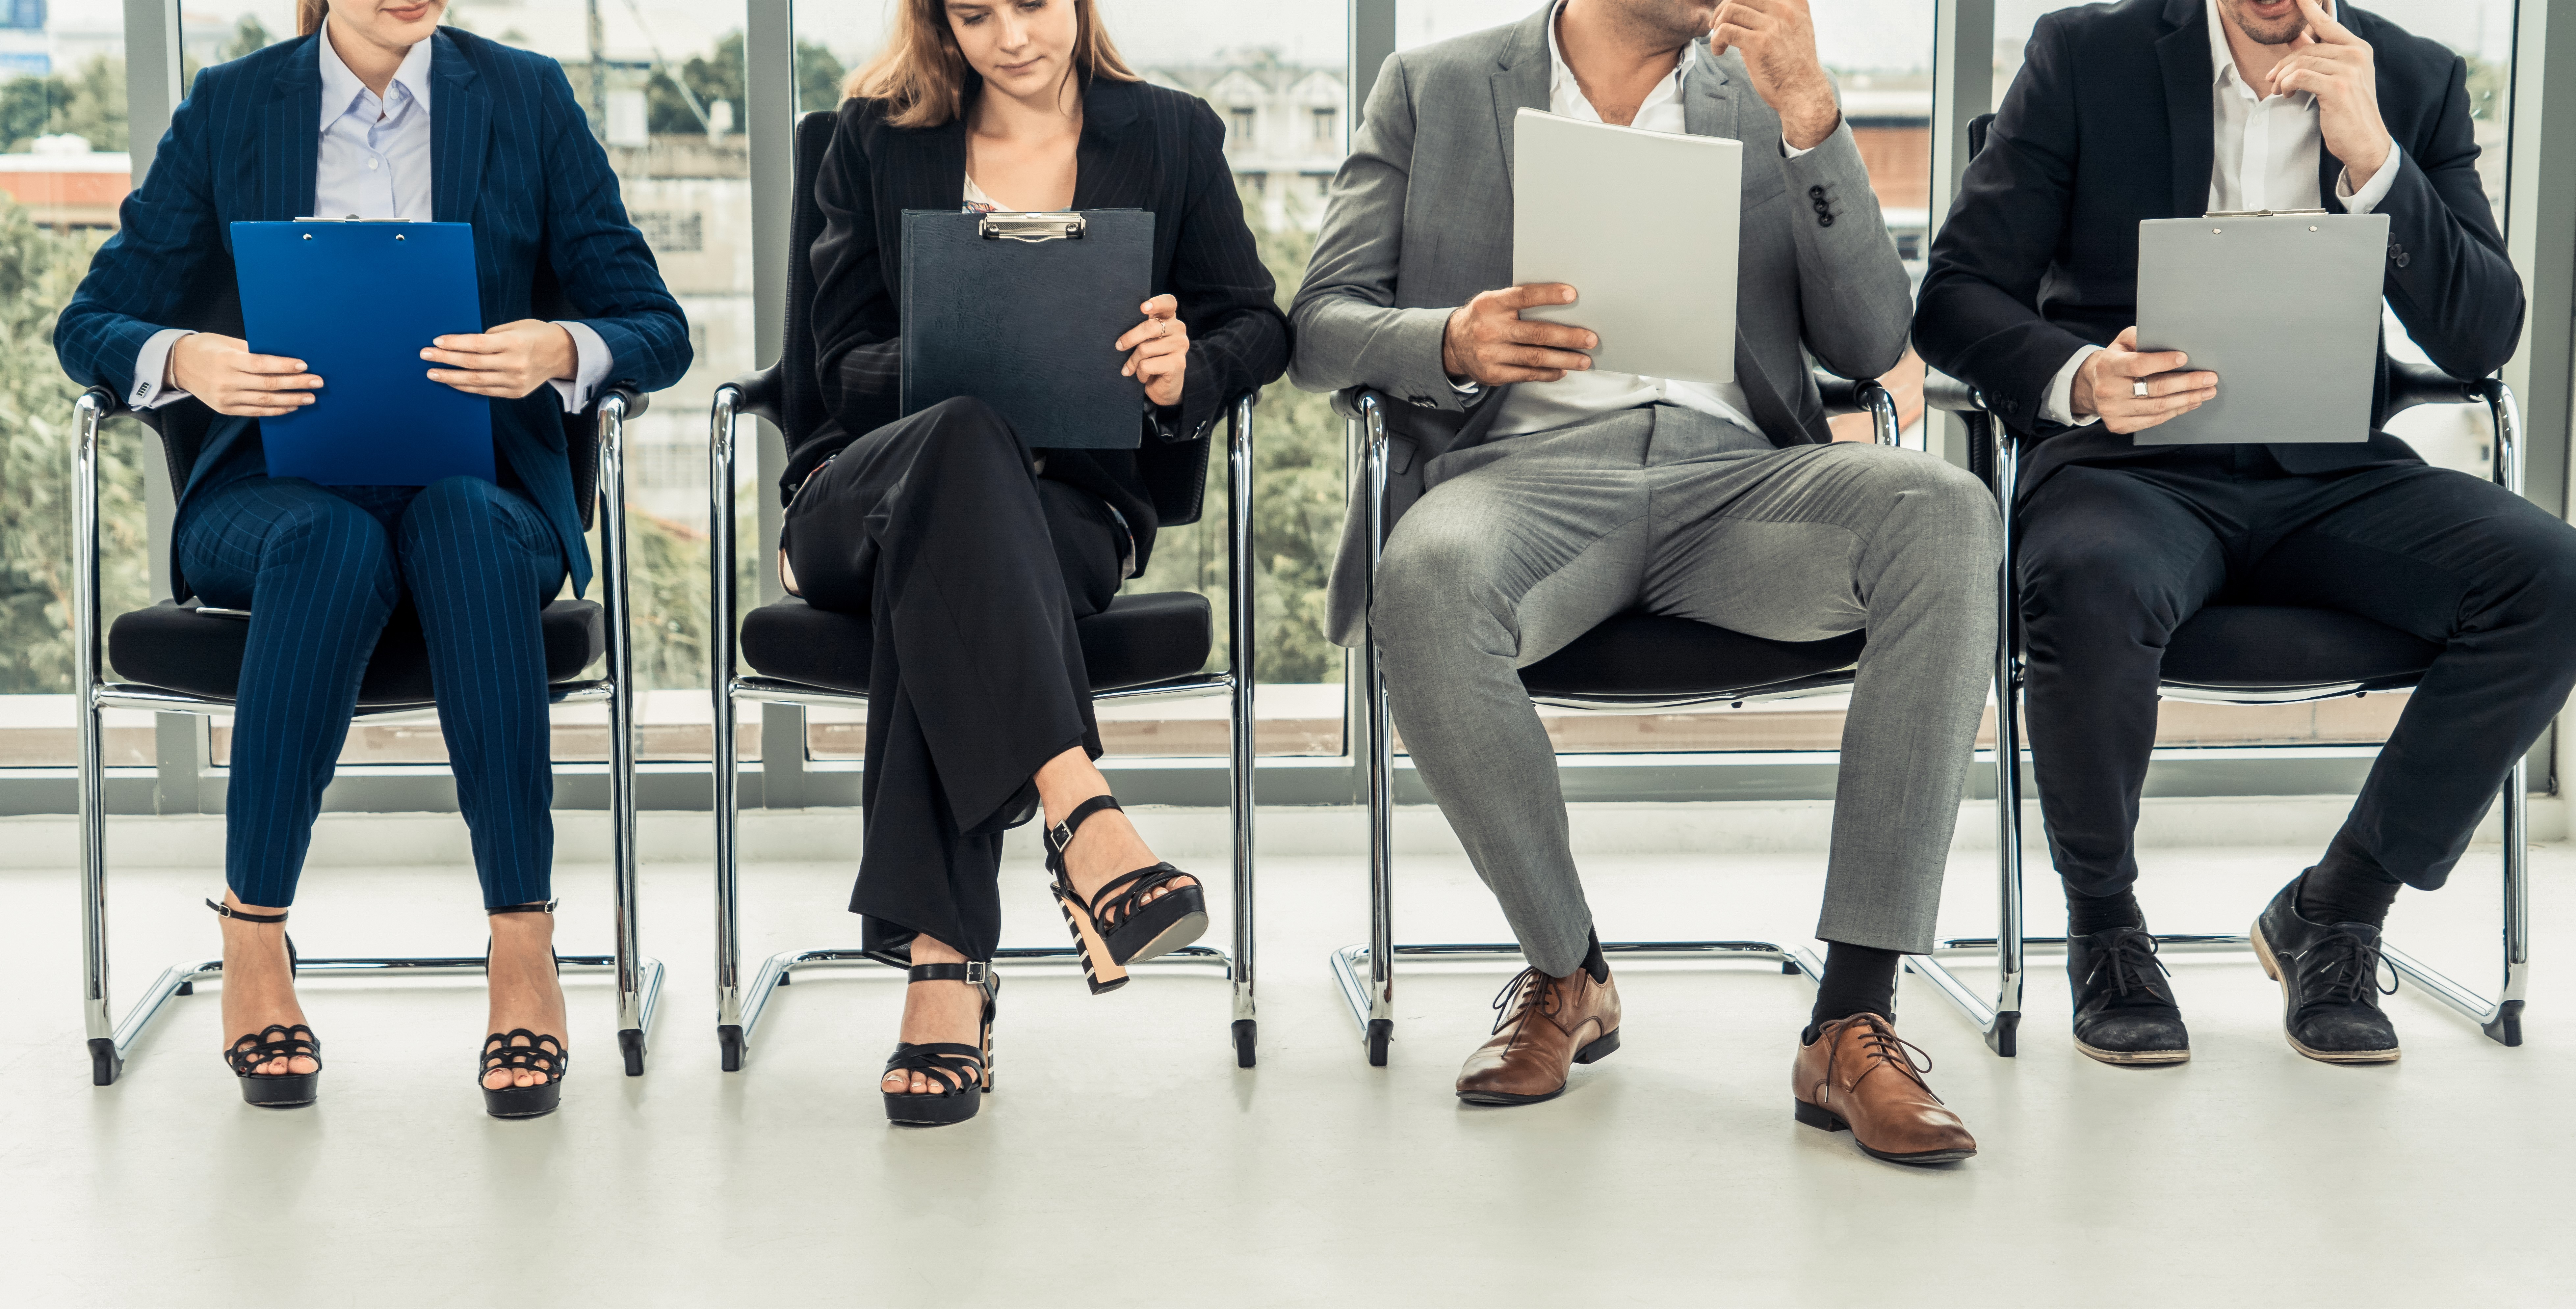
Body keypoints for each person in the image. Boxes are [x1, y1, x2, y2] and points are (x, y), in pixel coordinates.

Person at [1292, 0, 1996, 1166]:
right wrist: (1451, 342)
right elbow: (1320, 322)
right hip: (1525, 482)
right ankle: (1570, 974)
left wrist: (1813, 118)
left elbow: (1874, 342)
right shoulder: (1437, 87)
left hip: (1738, 486)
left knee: (1949, 513)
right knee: (1423, 573)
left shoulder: (1765, 95)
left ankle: (1852, 1020)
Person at [1915, 0, 2576, 1067]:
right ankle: (2105, 930)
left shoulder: (2410, 80)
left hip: (2331, 473)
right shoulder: (2086, 55)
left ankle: (2337, 912)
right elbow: (1957, 295)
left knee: (2558, 581)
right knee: (2088, 576)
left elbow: (2485, 335)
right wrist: (2082, 375)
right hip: (2129, 468)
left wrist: (2376, 159)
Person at [53, 0, 690, 1117]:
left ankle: (522, 947)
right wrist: (189, 355)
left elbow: (654, 324)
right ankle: (254, 938)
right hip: (270, 495)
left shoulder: (528, 97)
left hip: (482, 490)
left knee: (456, 525)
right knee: (330, 540)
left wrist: (559, 347)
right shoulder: (236, 105)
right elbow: (92, 320)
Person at [792, 0, 1288, 1127]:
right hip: (864, 496)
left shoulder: (1170, 135)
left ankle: (943, 970)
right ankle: (1083, 810)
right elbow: (837, 366)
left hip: (1066, 512)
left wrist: (1182, 369)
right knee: (963, 440)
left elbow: (1258, 325)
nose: (1013, 36)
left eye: (1034, 5)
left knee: (958, 578)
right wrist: (979, 348)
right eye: (977, 14)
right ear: (938, 22)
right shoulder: (871, 139)